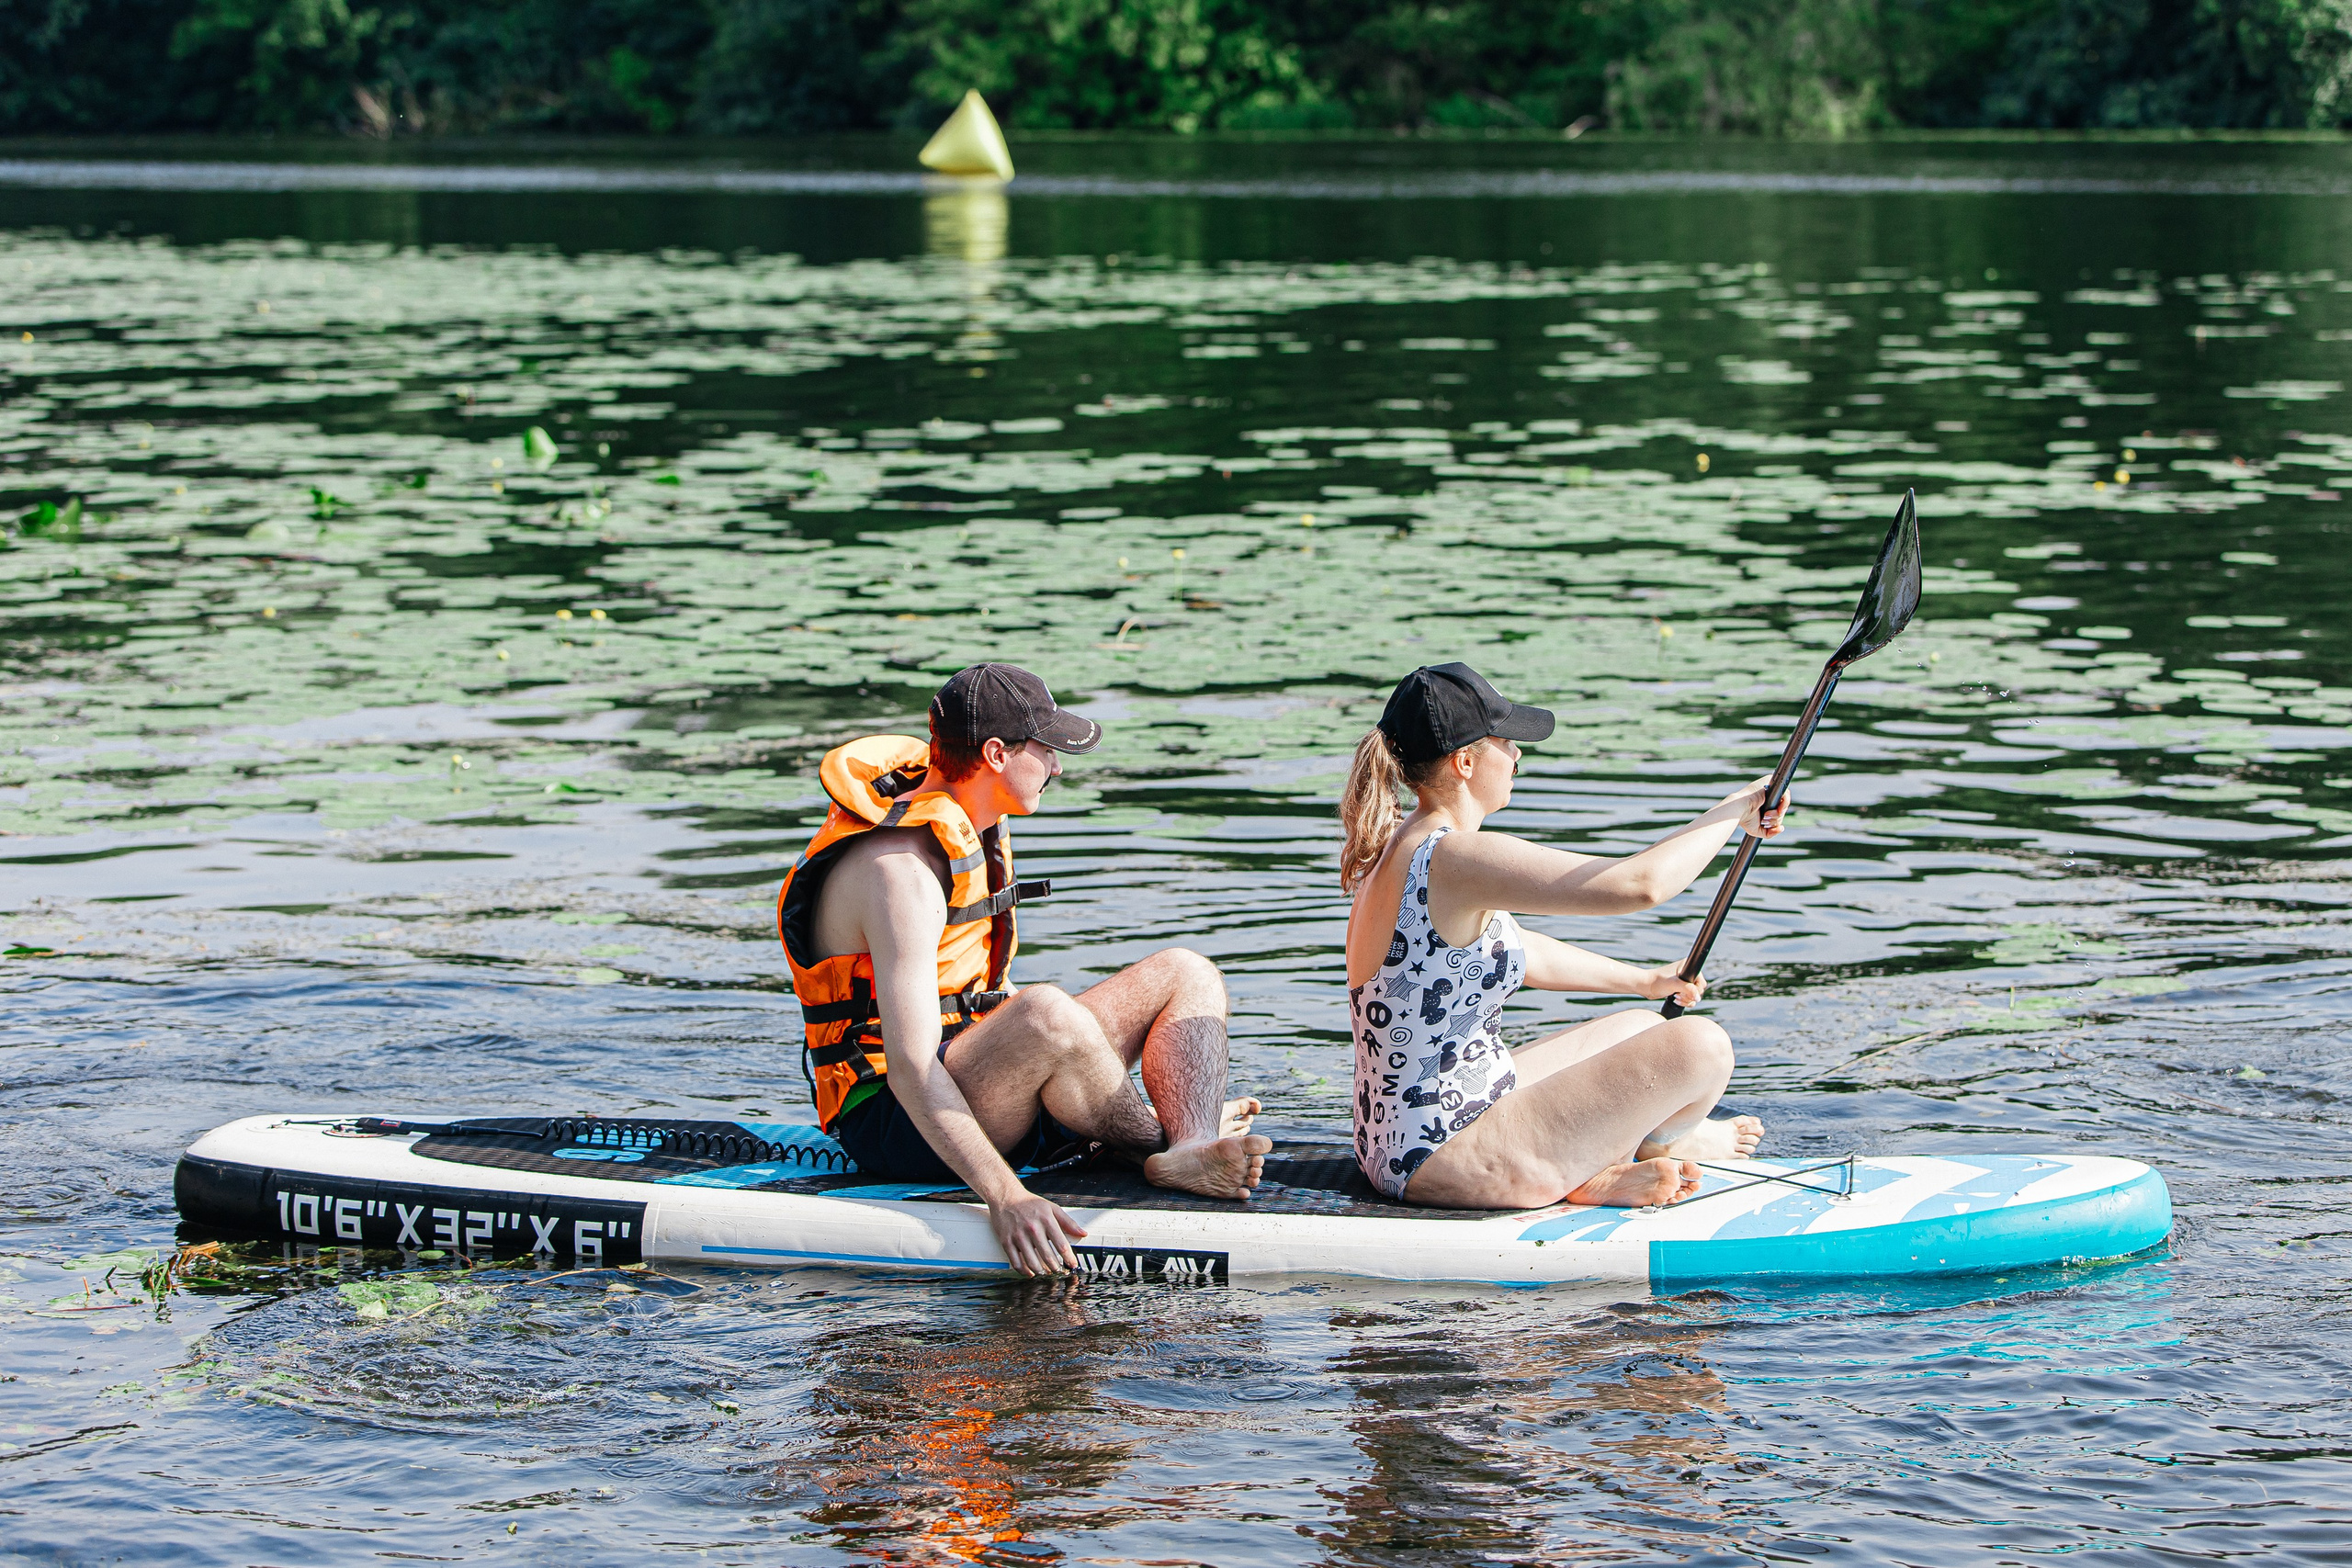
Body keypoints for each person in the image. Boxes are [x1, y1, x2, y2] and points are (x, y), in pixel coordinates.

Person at [777, 662, 1272, 1276]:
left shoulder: (971, 820)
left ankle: (1190, 1144)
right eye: (1047, 749)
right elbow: (908, 1067)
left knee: (1186, 970)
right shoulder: (898, 873)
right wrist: (1005, 1196)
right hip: (895, 1118)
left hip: (974, 1077)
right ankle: (1156, 1140)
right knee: (1043, 1014)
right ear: (995, 753)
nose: (1059, 766)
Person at [1340, 662, 1786, 1211]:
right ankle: (1605, 1167)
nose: (1518, 755)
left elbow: (1517, 952)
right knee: (1701, 1046)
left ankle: (1632, 1149)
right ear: (1465, 762)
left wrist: (1647, 981)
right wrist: (1734, 811)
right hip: (1446, 1154)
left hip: (1403, 1141)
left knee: (1641, 1027)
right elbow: (1639, 885)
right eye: (1507, 742)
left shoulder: (1405, 845)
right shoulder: (1455, 855)